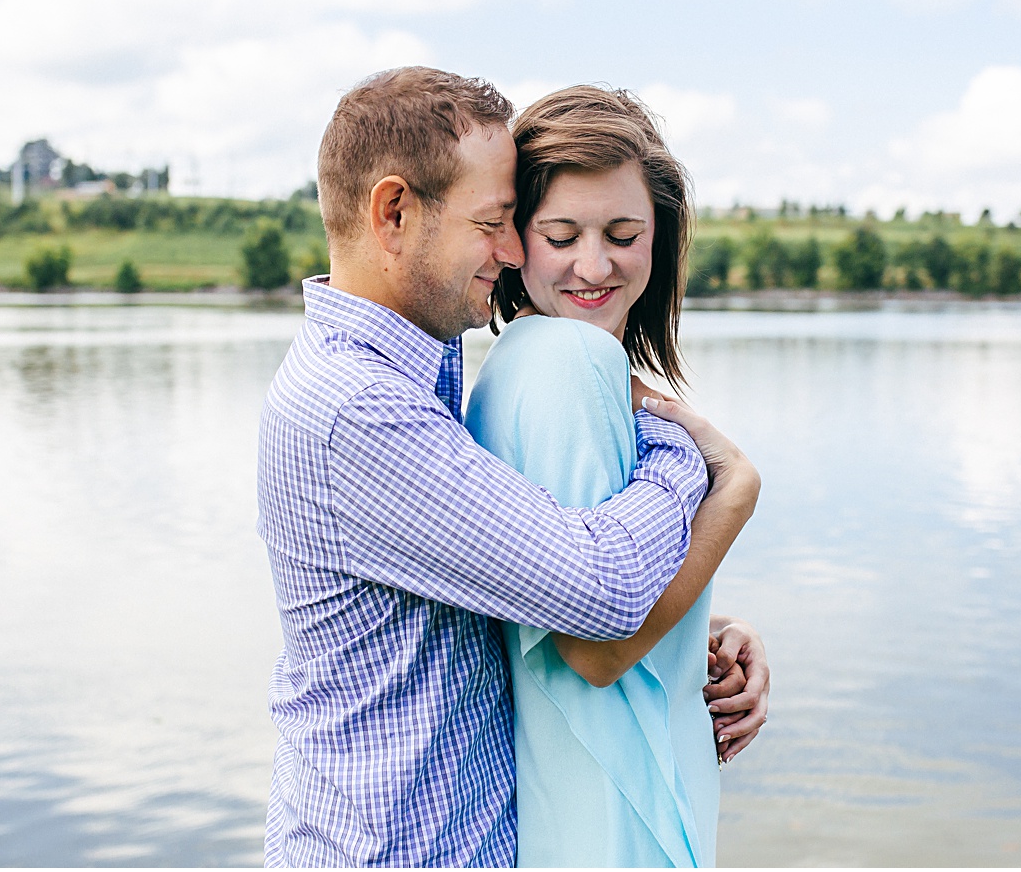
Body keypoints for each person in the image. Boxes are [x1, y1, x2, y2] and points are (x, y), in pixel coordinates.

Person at [256, 67, 765, 867]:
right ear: (394, 213)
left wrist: (703, 623)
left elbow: (515, 568)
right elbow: (598, 600)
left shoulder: (421, 366)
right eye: (499, 222)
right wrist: (707, 471)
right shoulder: (360, 408)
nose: (509, 249)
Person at [465, 86, 763, 867]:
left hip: (580, 811)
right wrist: (733, 494)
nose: (593, 265)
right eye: (560, 234)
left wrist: (708, 627)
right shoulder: (570, 359)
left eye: (624, 233)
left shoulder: (515, 366)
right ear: (512, 240)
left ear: (660, 238)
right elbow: (593, 648)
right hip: (616, 823)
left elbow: (590, 587)